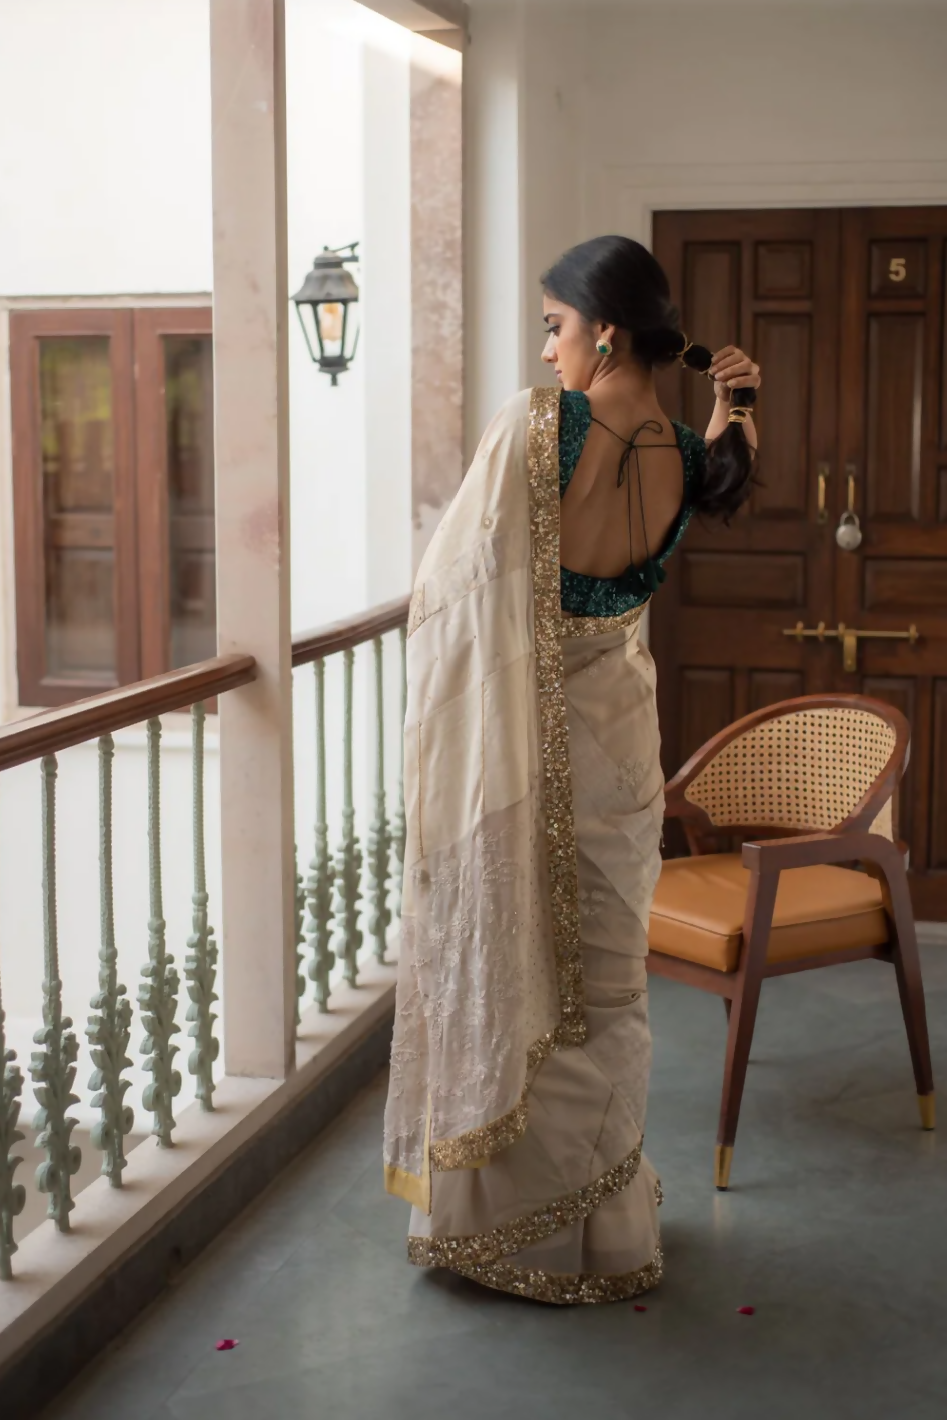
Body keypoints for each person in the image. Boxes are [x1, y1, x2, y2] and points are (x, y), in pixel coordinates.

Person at [384, 235, 761, 1304]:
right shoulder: (690, 455)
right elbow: (726, 468)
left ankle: (512, 1235)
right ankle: (606, 1228)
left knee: (520, 974)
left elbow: (451, 593)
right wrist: (738, 410)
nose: (545, 349)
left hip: (528, 748)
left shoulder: (537, 430)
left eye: (554, 325)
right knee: (607, 989)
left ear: (604, 328)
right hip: (622, 749)